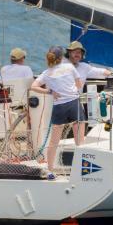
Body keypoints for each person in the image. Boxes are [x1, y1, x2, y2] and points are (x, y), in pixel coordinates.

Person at [30, 46, 83, 174]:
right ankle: (80, 169)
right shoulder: (70, 67)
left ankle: (50, 170)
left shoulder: (46, 73)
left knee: (54, 142)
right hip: (74, 104)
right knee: (79, 141)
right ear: (61, 58)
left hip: (59, 107)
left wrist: (50, 91)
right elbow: (79, 85)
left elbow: (33, 87)